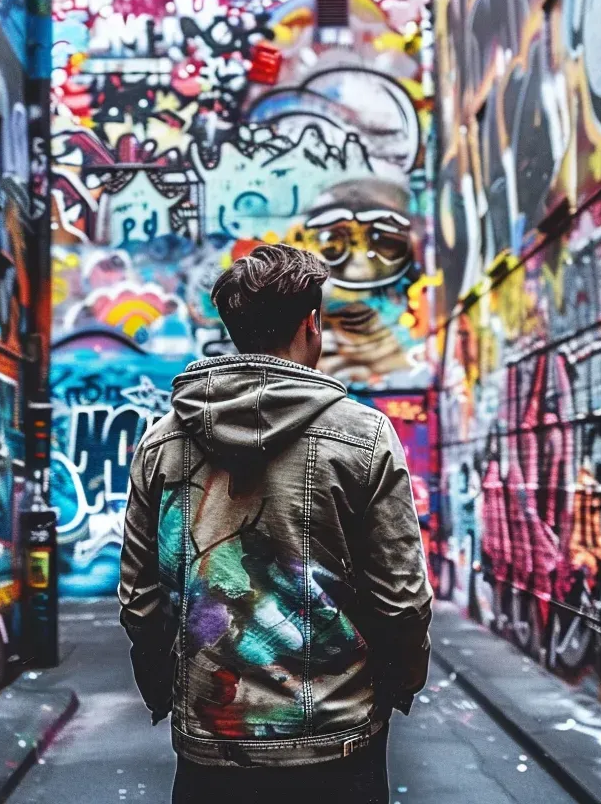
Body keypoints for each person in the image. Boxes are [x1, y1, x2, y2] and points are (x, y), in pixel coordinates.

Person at [119, 243, 433, 804]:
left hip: (212, 744)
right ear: (312, 324)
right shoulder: (363, 437)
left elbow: (142, 599)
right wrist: (397, 685)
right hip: (336, 746)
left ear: (236, 328)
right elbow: (402, 600)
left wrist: (167, 692)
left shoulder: (161, 443)